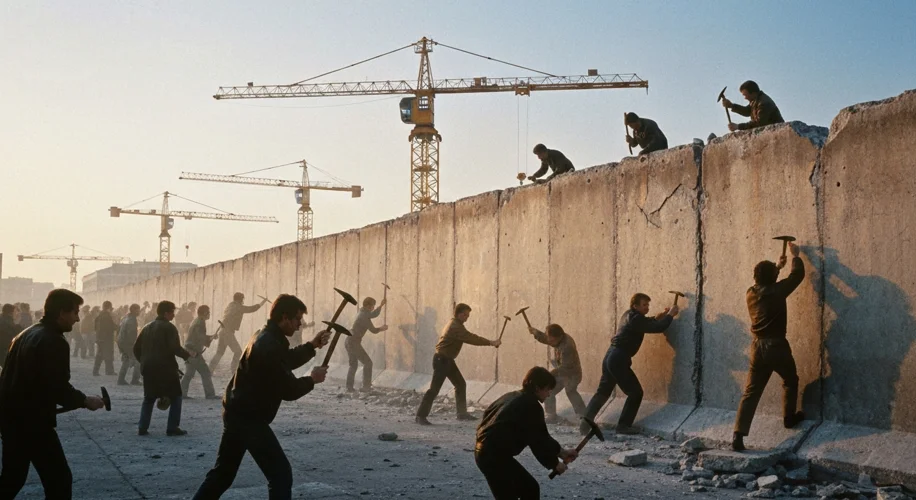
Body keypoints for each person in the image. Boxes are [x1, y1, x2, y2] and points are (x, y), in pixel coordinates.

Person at [191, 294, 330, 500]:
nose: (300, 325)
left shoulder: (266, 336)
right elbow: (289, 389)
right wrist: (312, 379)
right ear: (284, 317)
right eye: (297, 319)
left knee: (223, 474)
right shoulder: (269, 344)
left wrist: (312, 345)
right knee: (280, 475)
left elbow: (285, 360)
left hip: (237, 411)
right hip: (248, 418)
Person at [0, 289, 106, 498]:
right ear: (61, 313)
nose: (77, 319)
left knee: (12, 478)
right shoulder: (53, 340)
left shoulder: (26, 334)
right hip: (33, 424)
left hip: (12, 419)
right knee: (59, 481)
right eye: (75, 312)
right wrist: (85, 401)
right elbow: (57, 387)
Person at [732, 242, 806, 452]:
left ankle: (738, 434)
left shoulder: (751, 292)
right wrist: (795, 257)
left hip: (756, 348)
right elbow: (797, 276)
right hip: (777, 346)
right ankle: (789, 418)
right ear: (772, 278)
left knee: (751, 392)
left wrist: (777, 266)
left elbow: (767, 280)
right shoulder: (777, 291)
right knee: (790, 379)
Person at [581, 293, 679, 436]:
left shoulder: (630, 315)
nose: (647, 307)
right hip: (618, 359)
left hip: (611, 356)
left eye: (648, 305)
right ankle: (623, 426)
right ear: (635, 306)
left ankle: (584, 425)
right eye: (644, 305)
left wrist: (660, 316)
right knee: (635, 392)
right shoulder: (636, 319)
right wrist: (670, 315)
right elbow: (657, 328)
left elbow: (647, 322)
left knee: (603, 392)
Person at [475, 366, 579, 499]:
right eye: (547, 389)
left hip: (484, 453)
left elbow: (541, 436)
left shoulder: (511, 396)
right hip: (494, 457)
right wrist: (555, 464)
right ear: (537, 387)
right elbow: (538, 440)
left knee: (520, 491)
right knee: (529, 489)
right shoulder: (531, 406)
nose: (548, 394)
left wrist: (562, 452)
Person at [415, 303, 501, 425]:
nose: (467, 317)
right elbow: (471, 338)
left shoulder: (456, 324)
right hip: (442, 360)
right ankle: (420, 416)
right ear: (459, 314)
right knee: (434, 389)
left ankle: (462, 413)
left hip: (447, 360)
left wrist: (490, 343)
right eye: (465, 315)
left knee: (460, 384)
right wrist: (491, 342)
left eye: (468, 315)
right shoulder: (456, 326)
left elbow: (469, 337)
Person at [134, 301, 196, 436]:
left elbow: (136, 349)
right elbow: (175, 348)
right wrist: (188, 355)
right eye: (172, 312)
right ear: (166, 313)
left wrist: (144, 362)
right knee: (176, 396)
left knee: (149, 397)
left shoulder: (146, 327)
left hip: (148, 368)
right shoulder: (169, 328)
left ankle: (142, 427)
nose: (174, 315)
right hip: (166, 369)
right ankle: (172, 427)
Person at [528, 323, 585, 423]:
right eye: (549, 339)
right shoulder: (557, 339)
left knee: (570, 391)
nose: (550, 342)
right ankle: (551, 414)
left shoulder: (567, 347)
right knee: (549, 390)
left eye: (552, 340)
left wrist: (550, 374)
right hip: (561, 372)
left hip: (572, 373)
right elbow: (546, 339)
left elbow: (564, 368)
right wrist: (536, 333)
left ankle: (583, 415)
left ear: (560, 337)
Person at [209, 292, 266, 374]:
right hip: (227, 332)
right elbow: (252, 309)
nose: (243, 300)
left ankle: (210, 370)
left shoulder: (230, 305)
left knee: (219, 352)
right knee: (238, 351)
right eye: (242, 299)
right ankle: (234, 370)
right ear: (240, 299)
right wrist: (262, 302)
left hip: (223, 331)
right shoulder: (238, 307)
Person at [345, 296, 388, 392]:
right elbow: (373, 330)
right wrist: (382, 328)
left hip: (349, 341)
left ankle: (349, 387)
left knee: (353, 365)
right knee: (368, 363)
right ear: (368, 306)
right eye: (373, 306)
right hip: (354, 342)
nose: (373, 308)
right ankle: (366, 387)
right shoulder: (364, 316)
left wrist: (381, 305)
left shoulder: (362, 312)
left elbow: (373, 314)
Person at [180, 305, 218, 400]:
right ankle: (210, 395)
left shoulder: (198, 321)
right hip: (193, 352)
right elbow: (199, 336)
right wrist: (210, 338)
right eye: (208, 312)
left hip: (189, 351)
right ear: (205, 313)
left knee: (189, 373)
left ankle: (181, 394)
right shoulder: (200, 322)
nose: (209, 314)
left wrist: (210, 337)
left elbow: (199, 336)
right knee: (205, 372)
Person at [117, 303, 143, 386]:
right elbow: (131, 335)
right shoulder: (131, 320)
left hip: (122, 343)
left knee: (126, 361)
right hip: (127, 344)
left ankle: (121, 379)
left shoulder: (126, 317)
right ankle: (134, 380)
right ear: (133, 310)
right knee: (137, 361)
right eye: (137, 309)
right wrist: (135, 346)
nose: (139, 311)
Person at [93, 300, 118, 376]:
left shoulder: (100, 315)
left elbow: (95, 327)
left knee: (100, 355)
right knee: (108, 355)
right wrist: (118, 327)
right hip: (106, 338)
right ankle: (109, 371)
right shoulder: (106, 316)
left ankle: (96, 371)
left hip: (100, 338)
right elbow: (110, 327)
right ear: (109, 307)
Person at [0, 304, 20, 369]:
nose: (16, 313)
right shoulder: (8, 322)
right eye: (15, 311)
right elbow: (14, 333)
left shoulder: (2, 318)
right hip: (5, 348)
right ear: (11, 312)